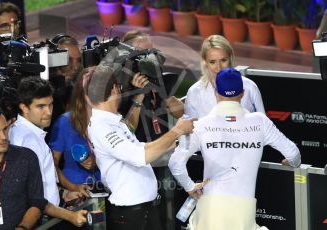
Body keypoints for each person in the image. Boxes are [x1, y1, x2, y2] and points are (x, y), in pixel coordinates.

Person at [168, 68, 301, 230]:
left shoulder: (200, 125)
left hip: (210, 211)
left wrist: (189, 187)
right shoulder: (260, 122)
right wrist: (292, 162)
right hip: (243, 214)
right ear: (242, 93)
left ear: (216, 93)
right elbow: (293, 153)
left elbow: (175, 164)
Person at [86, 65, 195, 230]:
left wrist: (176, 140)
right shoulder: (103, 126)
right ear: (115, 89)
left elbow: (139, 147)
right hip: (131, 214)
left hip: (142, 208)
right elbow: (139, 156)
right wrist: (176, 130)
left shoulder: (112, 120)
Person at [0, 103, 87, 230]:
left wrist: (23, 227)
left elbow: (37, 202)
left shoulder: (26, 158)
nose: (3, 137)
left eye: (5, 129)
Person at [8, 76, 91, 207]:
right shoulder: (25, 139)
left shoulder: (29, 133)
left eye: (50, 105)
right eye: (41, 107)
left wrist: (63, 193)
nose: (48, 112)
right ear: (24, 107)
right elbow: (23, 190)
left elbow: (43, 179)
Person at [121, 30, 185, 142]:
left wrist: (163, 92)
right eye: (142, 53)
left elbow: (182, 114)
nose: (150, 58)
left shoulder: (156, 79)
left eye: (151, 52)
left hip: (163, 149)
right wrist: (140, 94)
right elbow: (128, 130)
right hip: (140, 154)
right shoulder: (121, 88)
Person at [184, 35, 265, 119]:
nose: (219, 68)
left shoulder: (250, 87)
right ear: (205, 62)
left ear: (230, 58)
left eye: (223, 60)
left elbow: (263, 123)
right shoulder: (194, 92)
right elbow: (190, 129)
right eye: (212, 62)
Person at [49, 68, 101, 193]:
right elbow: (51, 164)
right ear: (81, 91)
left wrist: (98, 161)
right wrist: (72, 188)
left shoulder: (110, 120)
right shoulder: (64, 122)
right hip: (75, 192)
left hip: (107, 188)